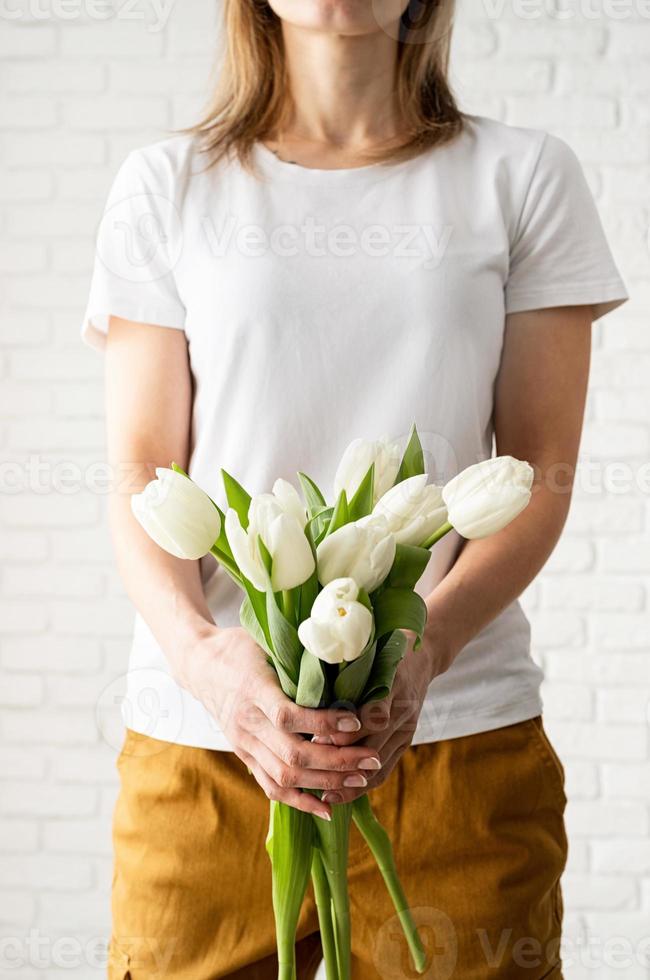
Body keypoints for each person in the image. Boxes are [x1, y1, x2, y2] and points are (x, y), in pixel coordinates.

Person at [83, 1, 627, 977]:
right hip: (208, 751)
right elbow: (139, 471)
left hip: (455, 744)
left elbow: (536, 472)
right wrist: (206, 661)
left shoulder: (520, 177)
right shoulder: (166, 186)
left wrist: (426, 643)